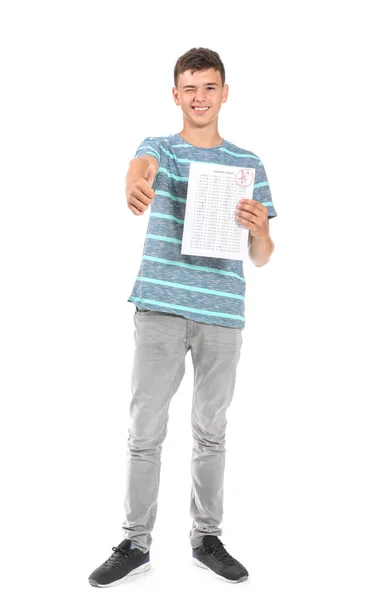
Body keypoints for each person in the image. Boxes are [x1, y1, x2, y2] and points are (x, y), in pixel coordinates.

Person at [88, 47, 277, 587]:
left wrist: (260, 229)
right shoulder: (160, 151)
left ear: (224, 93)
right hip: (160, 309)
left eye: (210, 87)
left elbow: (262, 255)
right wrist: (134, 186)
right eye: (190, 88)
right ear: (176, 95)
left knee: (211, 431)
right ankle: (134, 542)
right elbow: (137, 169)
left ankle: (207, 538)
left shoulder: (249, 165)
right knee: (144, 430)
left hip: (222, 312)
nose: (200, 97)